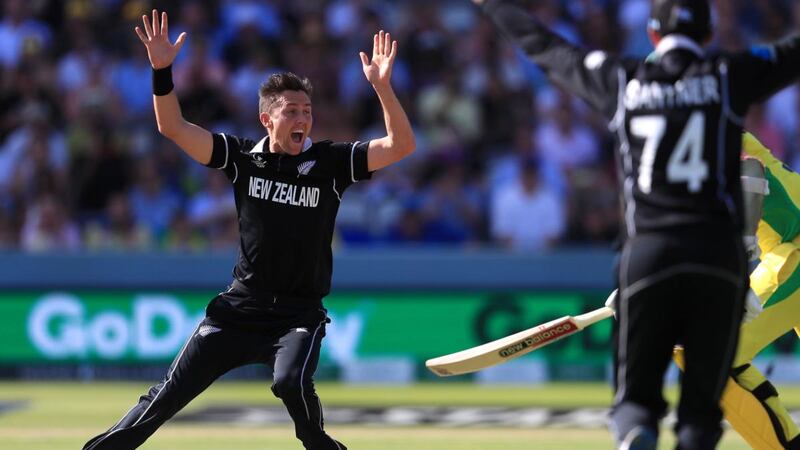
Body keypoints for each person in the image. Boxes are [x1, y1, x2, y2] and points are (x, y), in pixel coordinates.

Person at [472, 0, 800, 448]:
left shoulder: (634, 94)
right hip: (775, 251)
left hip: (792, 250)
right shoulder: (721, 89)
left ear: (652, 39)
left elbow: (749, 175)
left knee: (695, 356)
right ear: (705, 40)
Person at [83, 9, 415, 450]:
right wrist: (162, 69)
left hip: (297, 314)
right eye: (292, 111)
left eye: (308, 111)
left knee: (289, 383)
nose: (303, 120)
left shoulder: (331, 163)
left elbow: (401, 146)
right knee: (163, 399)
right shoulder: (242, 158)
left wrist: (383, 89)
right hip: (238, 310)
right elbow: (172, 127)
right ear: (267, 119)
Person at [674, 133, 800, 449]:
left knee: (706, 353)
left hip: (792, 253)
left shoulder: (705, 128)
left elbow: (750, 174)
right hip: (786, 254)